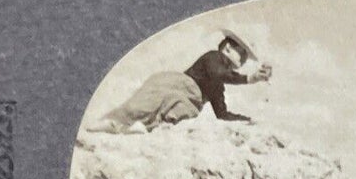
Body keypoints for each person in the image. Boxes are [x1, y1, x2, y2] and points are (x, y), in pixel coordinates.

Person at [93, 31, 272, 133]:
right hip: (176, 83)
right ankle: (113, 121)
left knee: (177, 111)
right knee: (144, 104)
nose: (242, 62)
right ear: (227, 49)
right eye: (241, 55)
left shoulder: (218, 84)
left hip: (187, 98)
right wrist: (250, 79)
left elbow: (222, 113)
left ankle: (138, 127)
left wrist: (246, 119)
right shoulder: (214, 57)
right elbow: (217, 73)